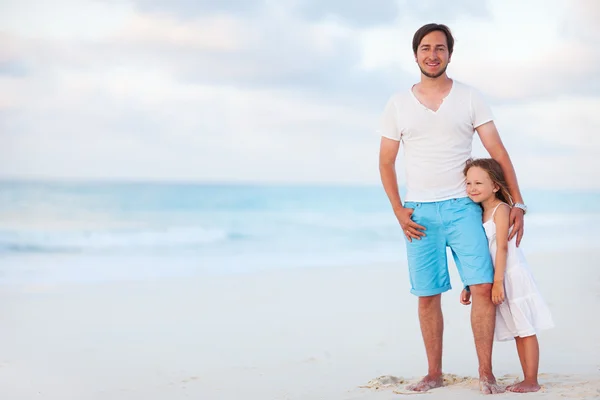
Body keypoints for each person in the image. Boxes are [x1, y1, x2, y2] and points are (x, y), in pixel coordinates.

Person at [378, 23, 527, 394]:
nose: (433, 54)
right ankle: (433, 373)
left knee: (481, 287)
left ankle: (486, 373)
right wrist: (398, 210)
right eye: (426, 48)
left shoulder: (470, 97)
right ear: (416, 55)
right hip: (419, 214)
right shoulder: (397, 103)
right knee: (428, 295)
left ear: (449, 54)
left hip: (463, 209)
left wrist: (516, 201)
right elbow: (386, 162)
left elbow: (499, 152)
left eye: (440, 48)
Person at [460, 158, 554, 393]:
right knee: (518, 330)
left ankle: (531, 380)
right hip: (496, 275)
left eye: (479, 183)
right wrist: (469, 284)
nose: (472, 188)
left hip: (510, 274)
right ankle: (528, 377)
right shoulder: (479, 213)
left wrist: (499, 283)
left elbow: (502, 247)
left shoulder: (500, 210)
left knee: (525, 328)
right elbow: (479, 253)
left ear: (495, 186)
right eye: (468, 182)